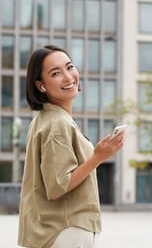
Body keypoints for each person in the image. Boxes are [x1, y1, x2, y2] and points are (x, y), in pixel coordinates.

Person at [18, 45, 125, 248]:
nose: (68, 77)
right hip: (67, 231)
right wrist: (98, 157)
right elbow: (59, 185)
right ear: (41, 86)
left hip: (59, 231)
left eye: (69, 67)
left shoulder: (48, 119)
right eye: (56, 73)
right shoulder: (57, 124)